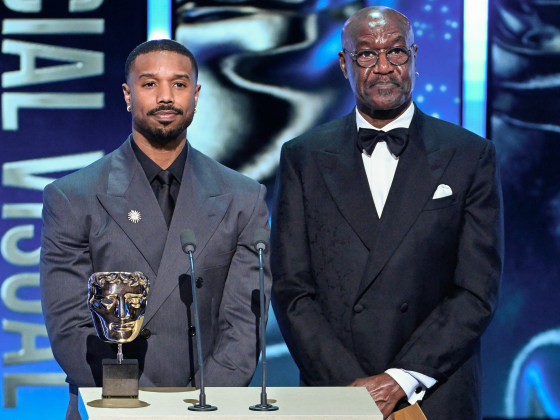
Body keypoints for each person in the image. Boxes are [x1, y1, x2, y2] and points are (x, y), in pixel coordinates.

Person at [270, 6, 503, 420]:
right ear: (344, 63)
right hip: (336, 393)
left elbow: (475, 290)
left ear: (414, 58)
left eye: (396, 53)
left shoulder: (470, 155)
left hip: (433, 393)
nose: (383, 67)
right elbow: (292, 291)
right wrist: (353, 390)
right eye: (366, 55)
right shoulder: (303, 157)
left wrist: (399, 380)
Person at [40, 39, 271, 420]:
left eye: (179, 85)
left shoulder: (243, 197)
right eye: (150, 84)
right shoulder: (72, 197)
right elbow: (69, 325)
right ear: (128, 95)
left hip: (207, 407)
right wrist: (128, 405)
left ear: (196, 95)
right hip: (109, 405)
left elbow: (245, 325)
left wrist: (204, 406)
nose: (166, 97)